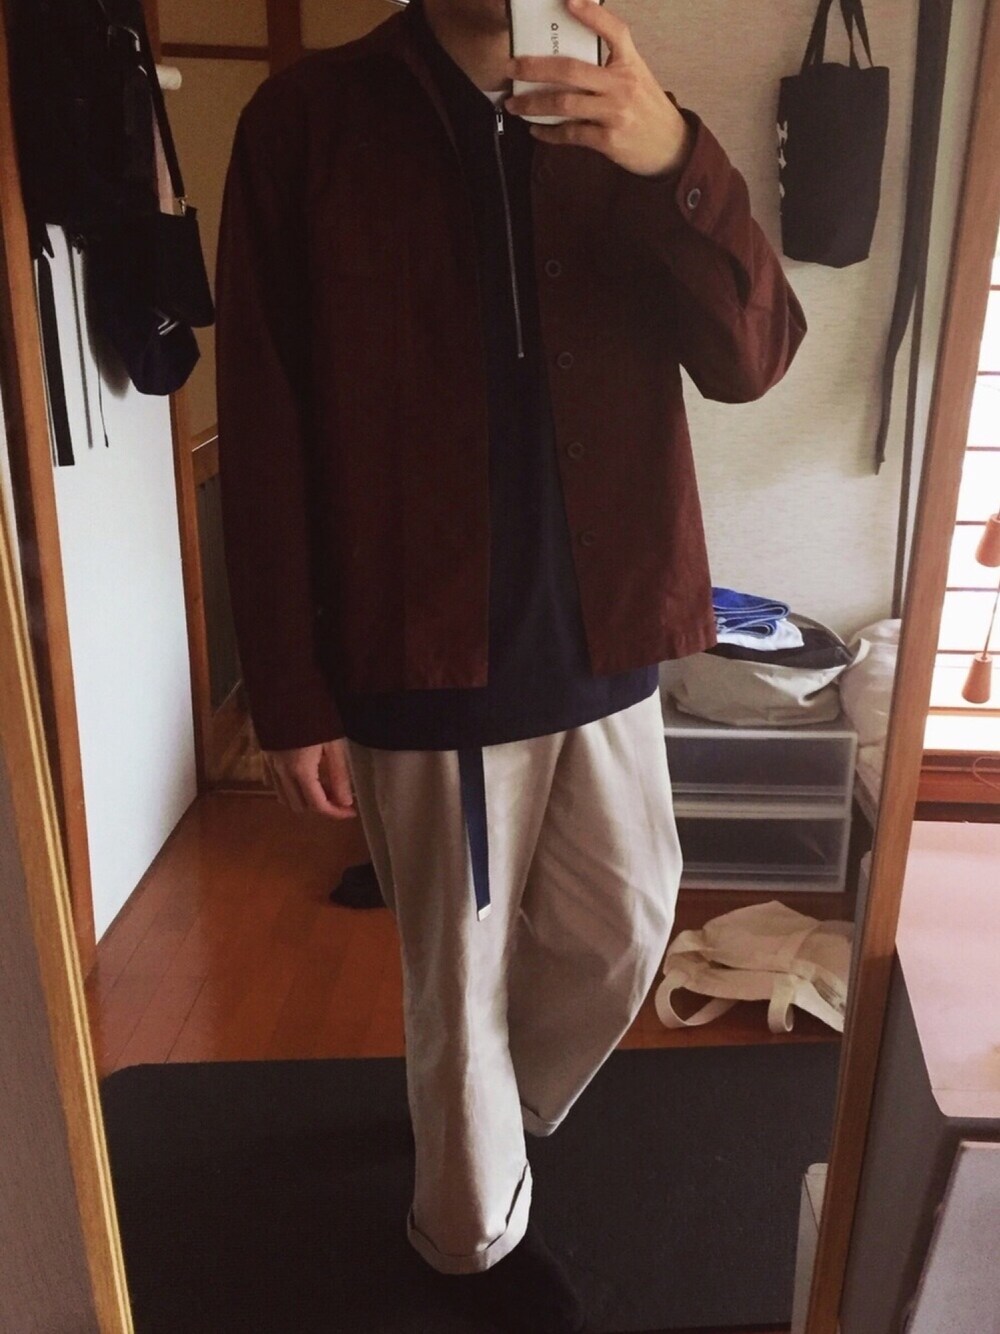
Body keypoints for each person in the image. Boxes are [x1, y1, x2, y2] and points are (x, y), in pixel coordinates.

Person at [215, 1, 807, 1329]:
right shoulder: (305, 126)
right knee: (458, 975)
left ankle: (481, 1109)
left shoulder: (630, 119)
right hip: (426, 650)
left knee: (628, 925)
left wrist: (674, 160)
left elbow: (756, 358)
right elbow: (262, 421)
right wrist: (290, 689)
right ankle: (464, 1241)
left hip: (607, 622)